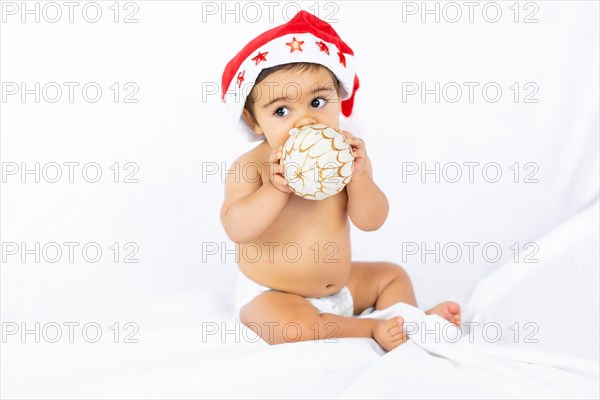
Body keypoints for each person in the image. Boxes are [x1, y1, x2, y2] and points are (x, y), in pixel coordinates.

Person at [220, 10, 460, 351]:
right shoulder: (252, 168)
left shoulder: (346, 156)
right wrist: (275, 189)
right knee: (283, 327)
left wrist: (359, 177)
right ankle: (371, 328)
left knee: (392, 275)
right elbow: (237, 228)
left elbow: (371, 221)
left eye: (317, 102)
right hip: (276, 294)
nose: (305, 119)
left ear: (339, 100)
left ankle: (410, 318)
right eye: (281, 111)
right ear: (254, 121)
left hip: (342, 286)